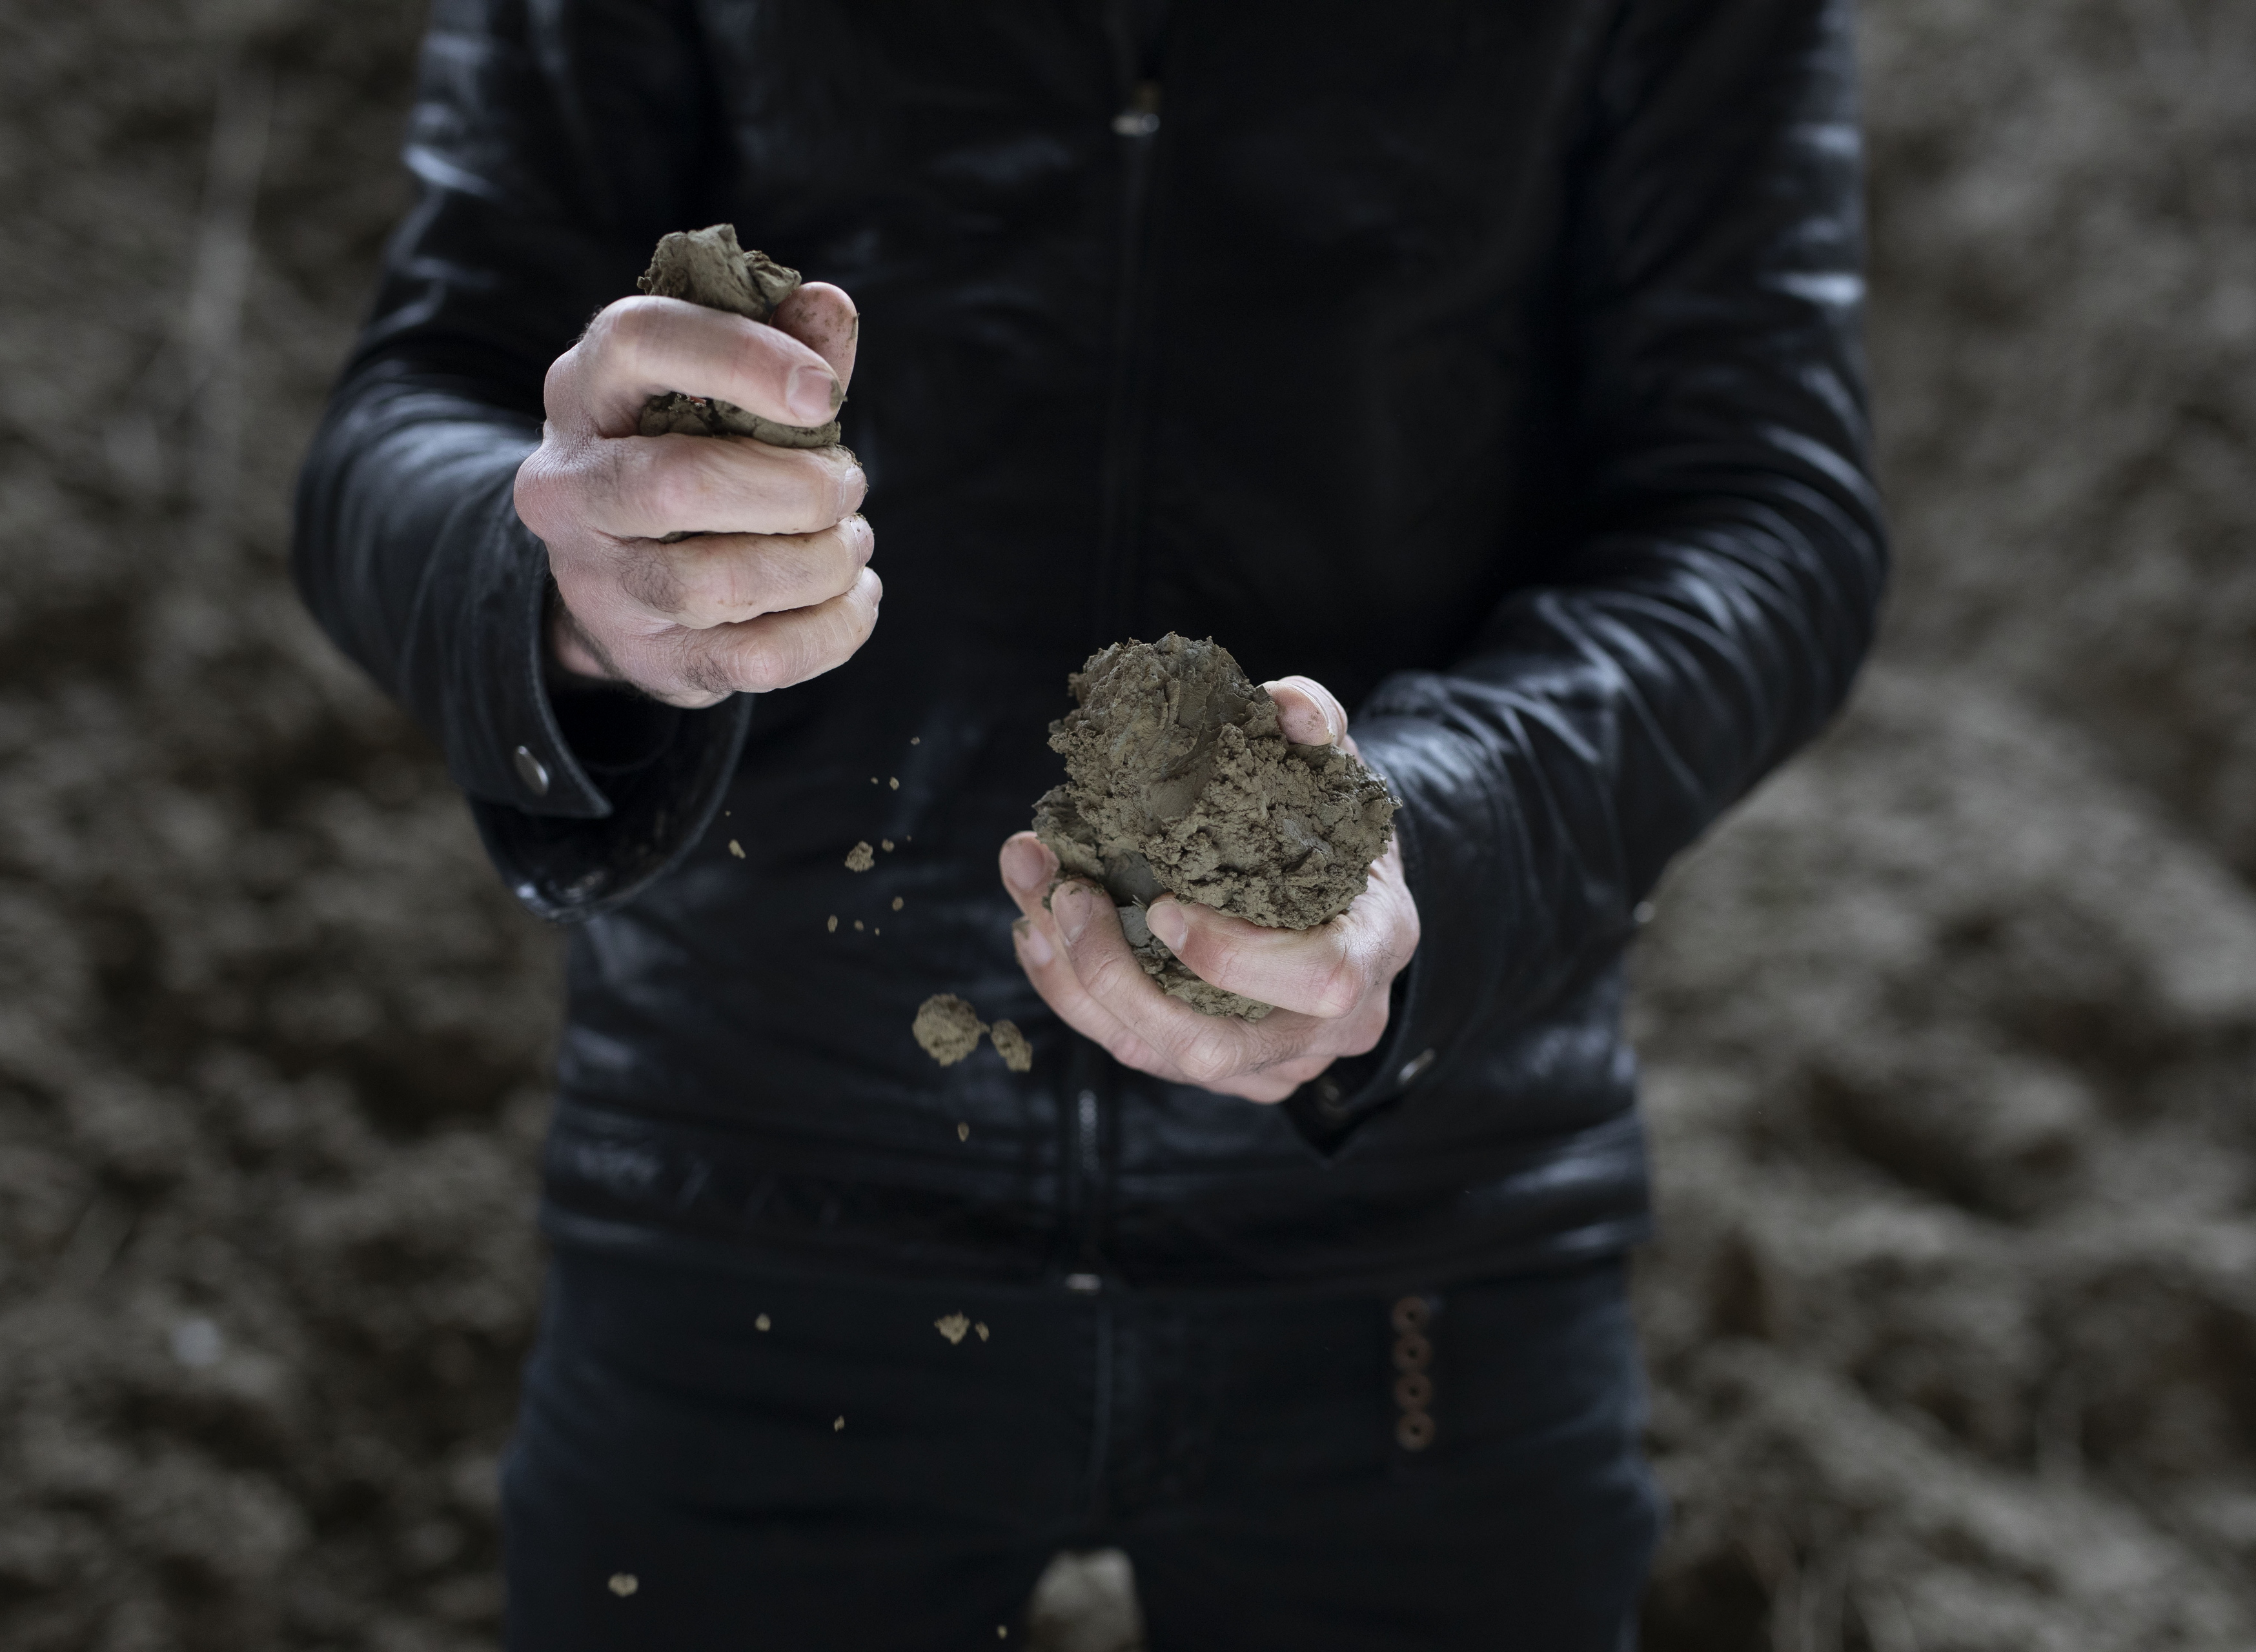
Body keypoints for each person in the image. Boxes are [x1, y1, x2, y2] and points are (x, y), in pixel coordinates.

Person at [294, 0, 1883, 1646]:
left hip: (1419, 1234)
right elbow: (405, 420)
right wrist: (561, 574)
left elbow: (1768, 509)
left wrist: (1438, 832)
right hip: (759, 1195)